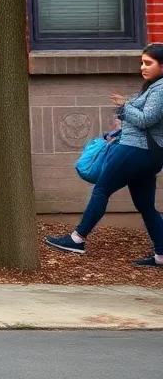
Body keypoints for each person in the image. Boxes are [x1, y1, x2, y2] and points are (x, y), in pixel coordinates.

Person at [46, 44, 163, 267]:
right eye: (142, 62)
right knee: (146, 206)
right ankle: (161, 254)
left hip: (135, 151)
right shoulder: (154, 87)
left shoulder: (161, 89)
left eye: (148, 63)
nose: (142, 67)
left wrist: (124, 106)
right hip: (147, 154)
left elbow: (147, 119)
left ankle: (77, 239)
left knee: (102, 189)